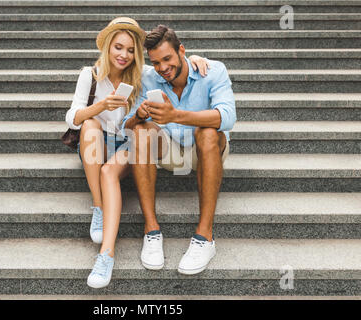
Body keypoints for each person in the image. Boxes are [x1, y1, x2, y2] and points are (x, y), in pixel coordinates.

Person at [65, 18, 210, 288]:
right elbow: (71, 118)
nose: (124, 55)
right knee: (89, 124)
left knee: (109, 171)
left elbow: (174, 64)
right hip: (96, 142)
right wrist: (100, 106)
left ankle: (106, 255)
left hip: (128, 142)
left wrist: (197, 58)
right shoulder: (91, 74)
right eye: (118, 47)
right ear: (108, 47)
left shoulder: (142, 74)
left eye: (131, 50)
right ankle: (99, 206)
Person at [121, 25, 236, 275]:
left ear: (181, 50)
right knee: (139, 130)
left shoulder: (213, 70)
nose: (162, 68)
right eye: (156, 62)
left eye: (167, 59)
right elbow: (125, 125)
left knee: (207, 131)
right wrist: (138, 115)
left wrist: (177, 116)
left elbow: (227, 117)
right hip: (170, 149)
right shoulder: (148, 77)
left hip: (207, 149)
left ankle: (205, 237)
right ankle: (151, 231)